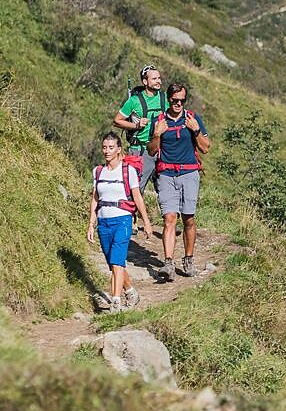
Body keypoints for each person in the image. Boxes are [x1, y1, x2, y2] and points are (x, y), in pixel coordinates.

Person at [149, 81, 210, 279]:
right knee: (169, 219)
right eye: (175, 100)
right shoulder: (159, 120)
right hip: (166, 174)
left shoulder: (193, 119)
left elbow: (205, 148)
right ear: (168, 100)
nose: (178, 104)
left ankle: (189, 259)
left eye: (182, 100)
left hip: (189, 174)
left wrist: (196, 130)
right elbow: (151, 150)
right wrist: (157, 134)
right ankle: (168, 263)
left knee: (188, 219)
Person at [88, 131, 152, 311]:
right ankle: (130, 291)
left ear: (118, 149)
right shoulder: (98, 171)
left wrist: (146, 222)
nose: (107, 151)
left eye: (111, 148)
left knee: (117, 262)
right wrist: (91, 224)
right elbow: (95, 199)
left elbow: (137, 197)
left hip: (122, 220)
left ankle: (115, 301)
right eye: (104, 147)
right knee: (114, 263)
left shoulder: (128, 170)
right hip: (103, 222)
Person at [115, 64, 170, 198]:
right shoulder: (134, 101)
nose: (159, 81)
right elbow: (117, 120)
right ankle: (129, 216)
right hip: (140, 150)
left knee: (166, 192)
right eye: (154, 79)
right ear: (145, 81)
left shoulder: (165, 98)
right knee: (134, 191)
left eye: (159, 78)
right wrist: (136, 126)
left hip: (161, 149)